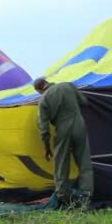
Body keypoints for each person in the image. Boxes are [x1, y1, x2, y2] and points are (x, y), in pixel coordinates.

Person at [34, 77, 93, 208]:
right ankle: (86, 195)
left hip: (62, 130)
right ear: (47, 82)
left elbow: (43, 127)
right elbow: (84, 102)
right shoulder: (68, 85)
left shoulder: (43, 99)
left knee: (61, 164)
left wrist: (47, 147)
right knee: (84, 162)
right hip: (79, 126)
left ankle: (63, 196)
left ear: (39, 90)